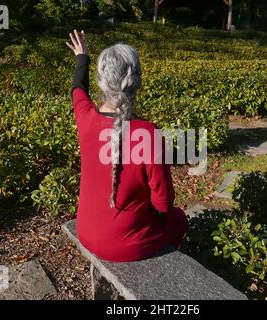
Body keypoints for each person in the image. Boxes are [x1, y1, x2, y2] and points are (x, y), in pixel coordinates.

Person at [66, 30, 189, 262]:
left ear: (101, 81)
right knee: (179, 219)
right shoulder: (148, 133)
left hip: (86, 233)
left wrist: (82, 57)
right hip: (126, 247)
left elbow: (77, 89)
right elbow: (163, 202)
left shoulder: (86, 118)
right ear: (137, 80)